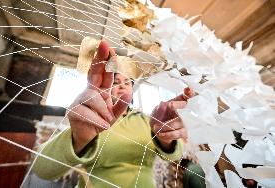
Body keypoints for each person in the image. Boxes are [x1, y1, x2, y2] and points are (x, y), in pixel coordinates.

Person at [33, 41, 205, 187]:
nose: (123, 85)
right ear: (106, 85)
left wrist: (165, 137)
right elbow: (42, 169)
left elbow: (175, 154)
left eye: (128, 82)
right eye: (116, 82)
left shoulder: (147, 120)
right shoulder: (87, 118)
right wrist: (79, 138)